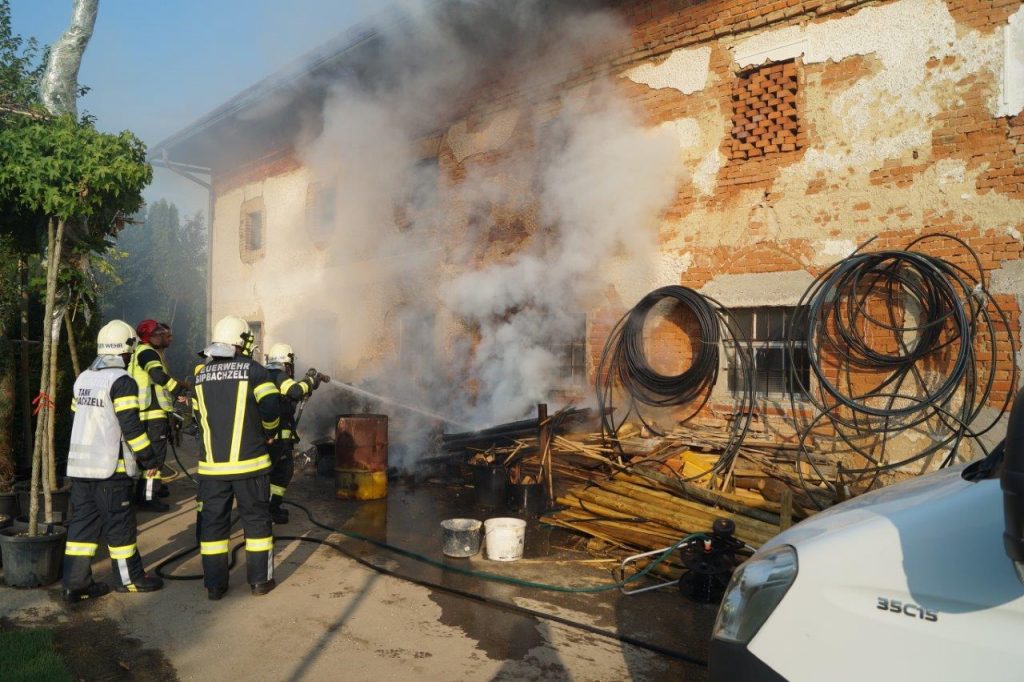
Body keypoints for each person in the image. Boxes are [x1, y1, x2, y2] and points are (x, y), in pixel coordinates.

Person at [63, 320, 165, 603]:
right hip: (111, 470)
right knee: (120, 526)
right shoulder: (122, 381)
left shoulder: (83, 379)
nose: (131, 356)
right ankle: (130, 580)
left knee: (82, 529)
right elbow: (131, 426)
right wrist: (149, 459)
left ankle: (75, 585)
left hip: (80, 470)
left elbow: (75, 418)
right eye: (130, 351)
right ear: (126, 349)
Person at [193, 315, 281, 600]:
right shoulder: (255, 371)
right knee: (256, 523)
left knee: (213, 527)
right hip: (250, 466)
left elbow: (197, 417)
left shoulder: (200, 375)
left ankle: (215, 586)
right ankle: (259, 582)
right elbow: (271, 407)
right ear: (242, 342)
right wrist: (269, 432)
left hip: (212, 470)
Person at [265, 343, 327, 524]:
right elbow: (295, 390)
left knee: (275, 474)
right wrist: (309, 381)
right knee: (280, 473)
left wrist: (309, 384)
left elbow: (289, 396)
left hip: (272, 440)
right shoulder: (278, 375)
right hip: (276, 441)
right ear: (286, 363)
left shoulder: (268, 375)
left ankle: (271, 508)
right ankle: (270, 510)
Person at [127, 320, 183, 511]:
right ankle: (148, 498)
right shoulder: (148, 353)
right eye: (159, 334)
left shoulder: (138, 352)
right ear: (150, 337)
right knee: (155, 459)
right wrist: (178, 391)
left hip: (145, 412)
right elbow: (158, 376)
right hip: (153, 414)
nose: (164, 337)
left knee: (148, 458)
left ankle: (146, 493)